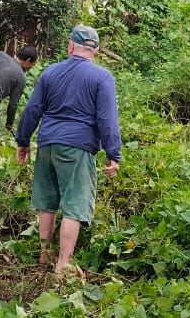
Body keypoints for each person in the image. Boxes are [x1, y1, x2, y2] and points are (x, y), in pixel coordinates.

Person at [14, 25, 121, 276]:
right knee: (74, 205)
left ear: (71, 46)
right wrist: (113, 153)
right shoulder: (101, 77)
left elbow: (32, 109)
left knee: (47, 202)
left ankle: (44, 253)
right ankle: (63, 264)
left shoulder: (51, 72)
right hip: (78, 147)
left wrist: (23, 141)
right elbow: (107, 119)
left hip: (47, 144)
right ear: (95, 51)